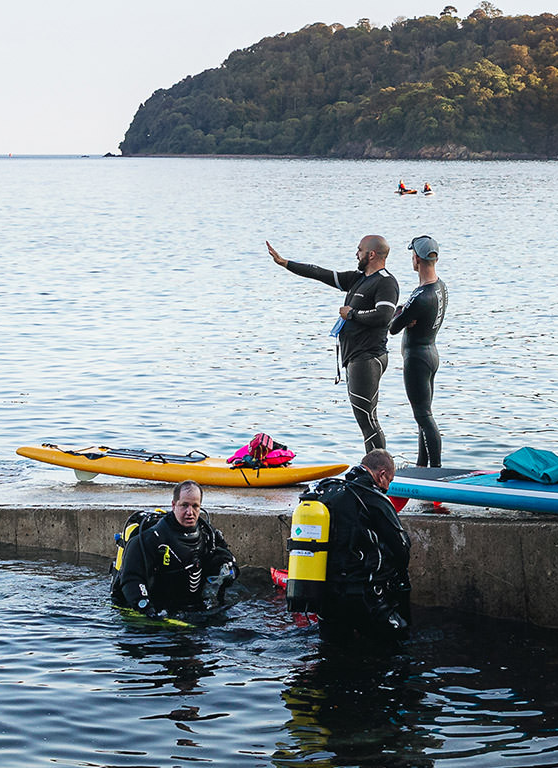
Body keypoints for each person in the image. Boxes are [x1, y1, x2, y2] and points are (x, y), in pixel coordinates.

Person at [268, 236, 401, 461]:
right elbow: (320, 273)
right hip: (357, 356)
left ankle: (380, 470)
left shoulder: (386, 282)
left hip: (367, 357)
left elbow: (384, 315)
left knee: (367, 419)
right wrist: (285, 263)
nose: (356, 254)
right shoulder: (358, 278)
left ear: (371, 255)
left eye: (359, 250)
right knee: (365, 419)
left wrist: (353, 314)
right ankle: (377, 468)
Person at [290, 449, 413, 641]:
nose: (388, 487)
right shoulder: (373, 498)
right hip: (361, 595)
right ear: (381, 475)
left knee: (330, 650)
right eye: (389, 481)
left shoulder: (326, 491)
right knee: (396, 641)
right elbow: (401, 550)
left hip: (324, 595)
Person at [111, 481, 238, 620]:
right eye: (184, 505)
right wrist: (147, 609)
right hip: (156, 610)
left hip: (192, 607)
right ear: (173, 505)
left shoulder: (207, 534)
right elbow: (131, 578)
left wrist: (228, 571)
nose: (190, 512)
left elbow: (226, 557)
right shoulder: (151, 539)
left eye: (195, 506)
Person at [389, 236, 448, 473]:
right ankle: (422, 466)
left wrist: (399, 312)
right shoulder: (440, 286)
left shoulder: (421, 296)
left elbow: (393, 327)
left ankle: (435, 470)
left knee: (423, 416)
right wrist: (406, 313)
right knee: (423, 415)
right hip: (431, 353)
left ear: (416, 259)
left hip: (417, 359)